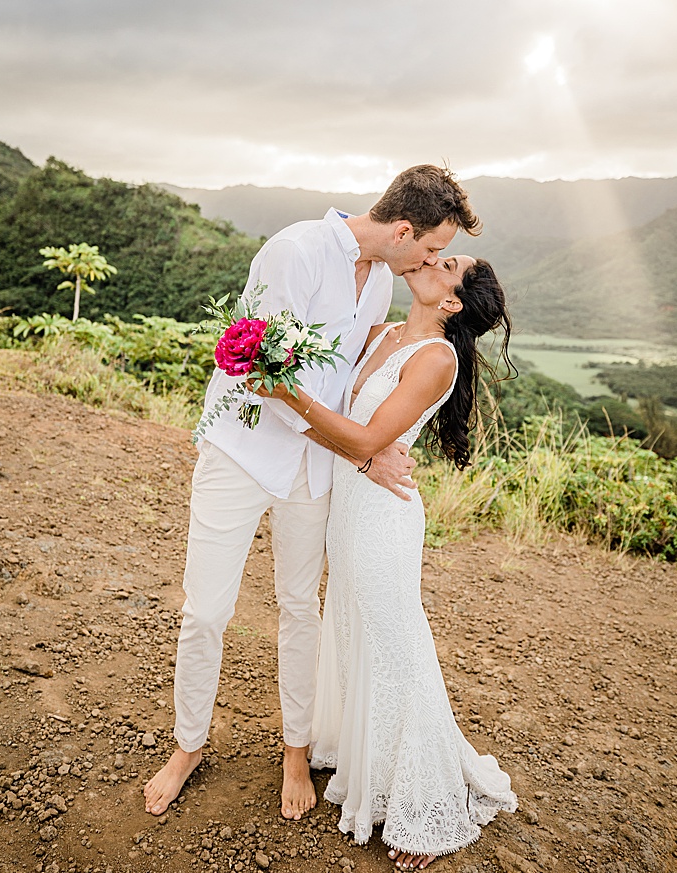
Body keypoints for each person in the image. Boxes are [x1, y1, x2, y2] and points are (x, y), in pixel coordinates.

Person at [143, 165, 480, 821]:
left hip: (311, 471)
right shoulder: (294, 252)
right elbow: (267, 377)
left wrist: (370, 443)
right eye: (432, 249)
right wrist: (363, 448)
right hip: (239, 451)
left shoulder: (383, 281)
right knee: (206, 609)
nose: (432, 260)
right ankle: (188, 744)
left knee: (300, 606)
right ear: (404, 230)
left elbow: (346, 384)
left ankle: (296, 748)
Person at [251, 254, 518, 868]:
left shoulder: (435, 359)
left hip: (383, 516)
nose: (429, 258)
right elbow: (346, 422)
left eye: (446, 262)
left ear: (451, 301)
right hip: (349, 506)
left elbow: (368, 441)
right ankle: (362, 752)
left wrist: (283, 395)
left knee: (394, 644)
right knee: (351, 626)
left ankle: (425, 803)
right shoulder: (382, 333)